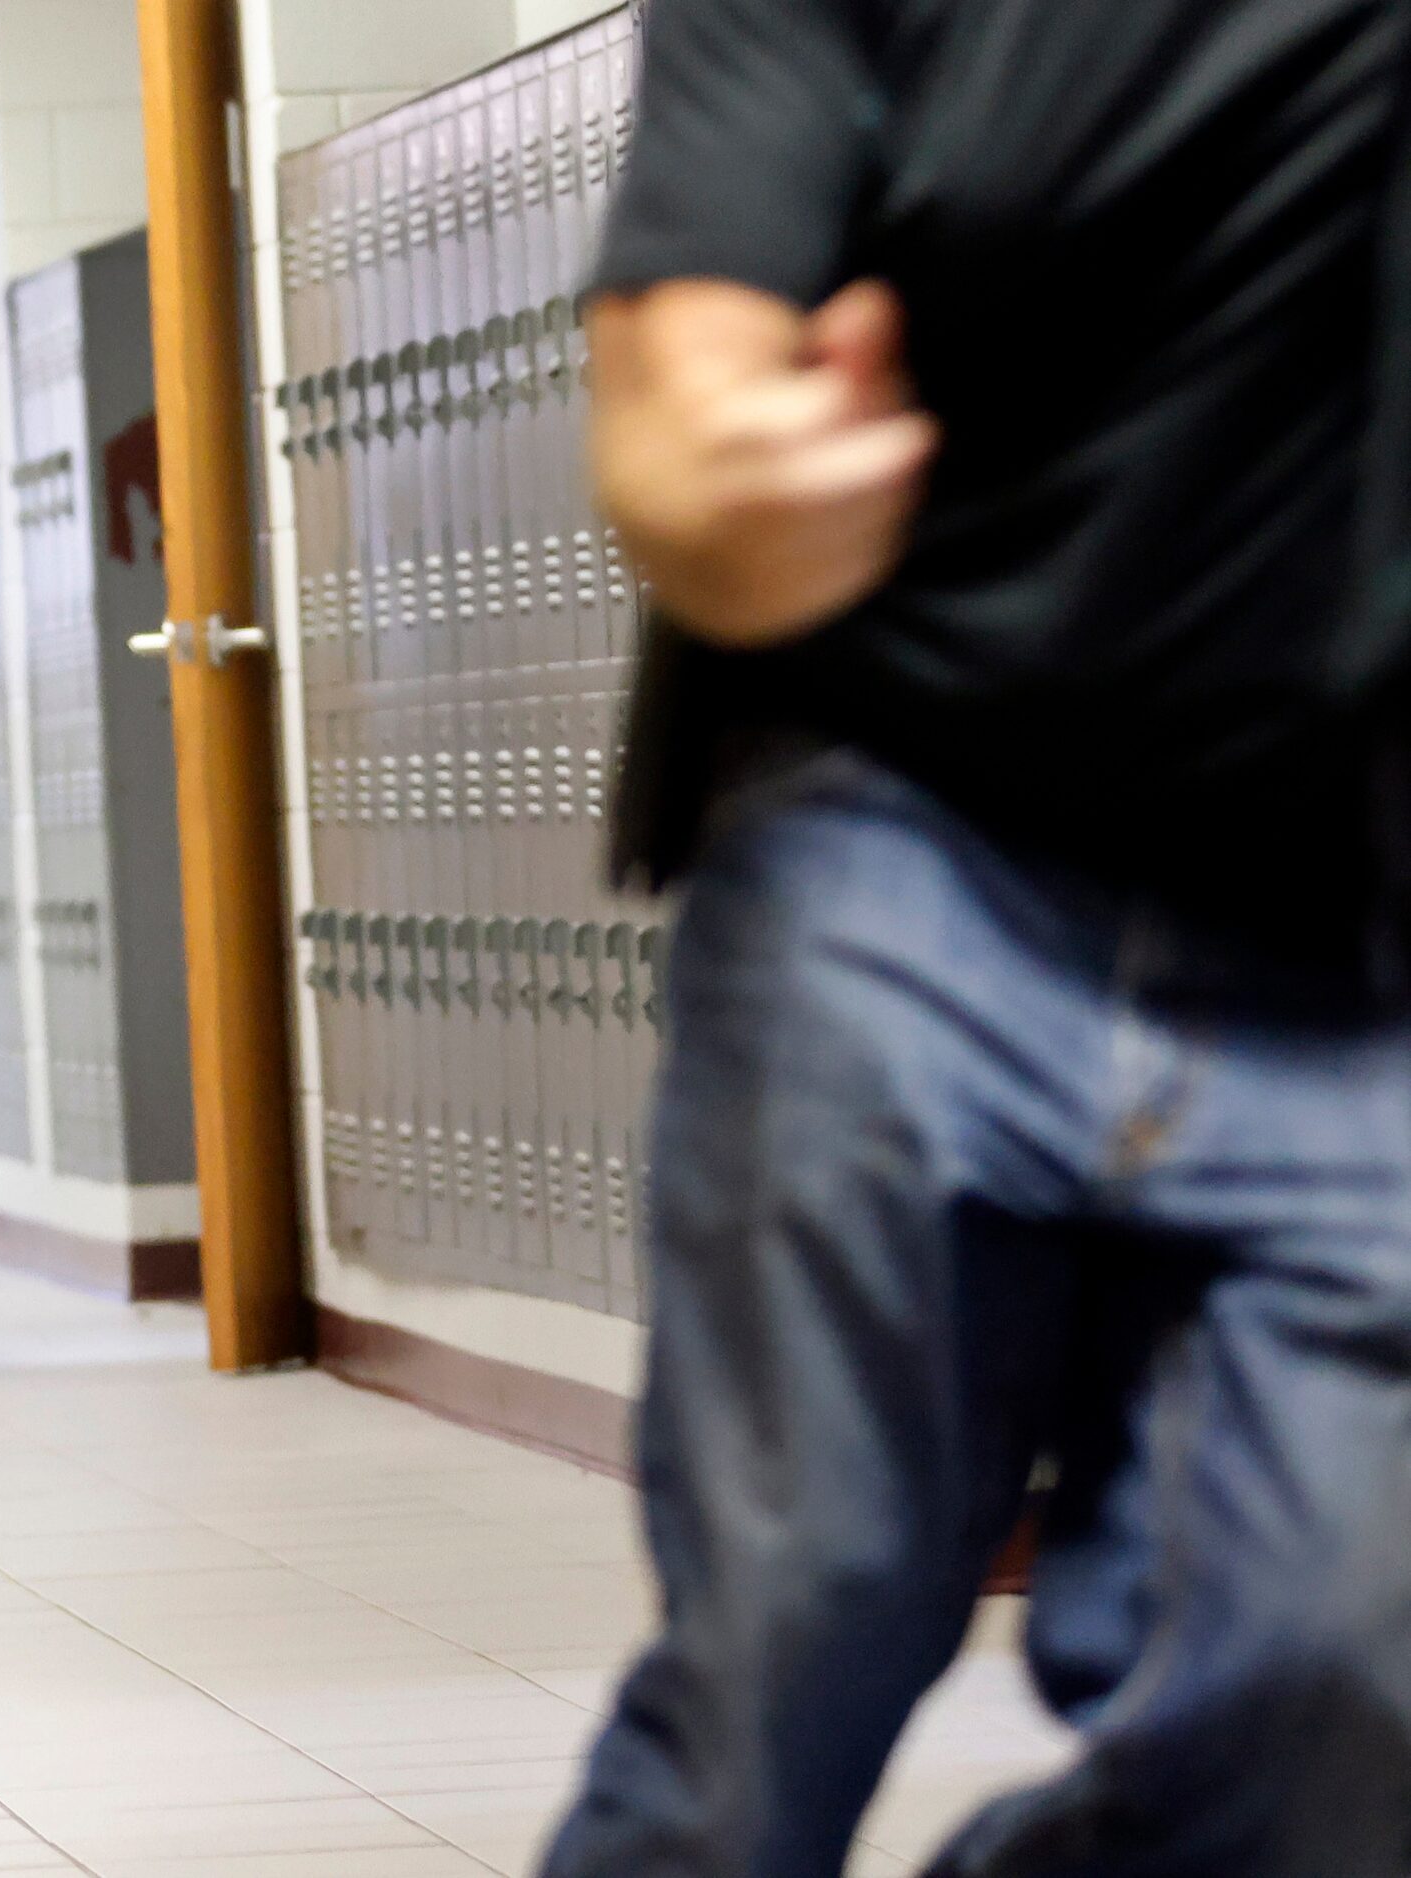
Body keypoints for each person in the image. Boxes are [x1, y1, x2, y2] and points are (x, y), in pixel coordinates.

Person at [544, 4, 1411, 1875]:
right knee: (783, 1659)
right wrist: (728, 477)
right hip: (904, 845)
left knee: (1340, 1698)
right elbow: (675, 389)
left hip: (1342, 926)